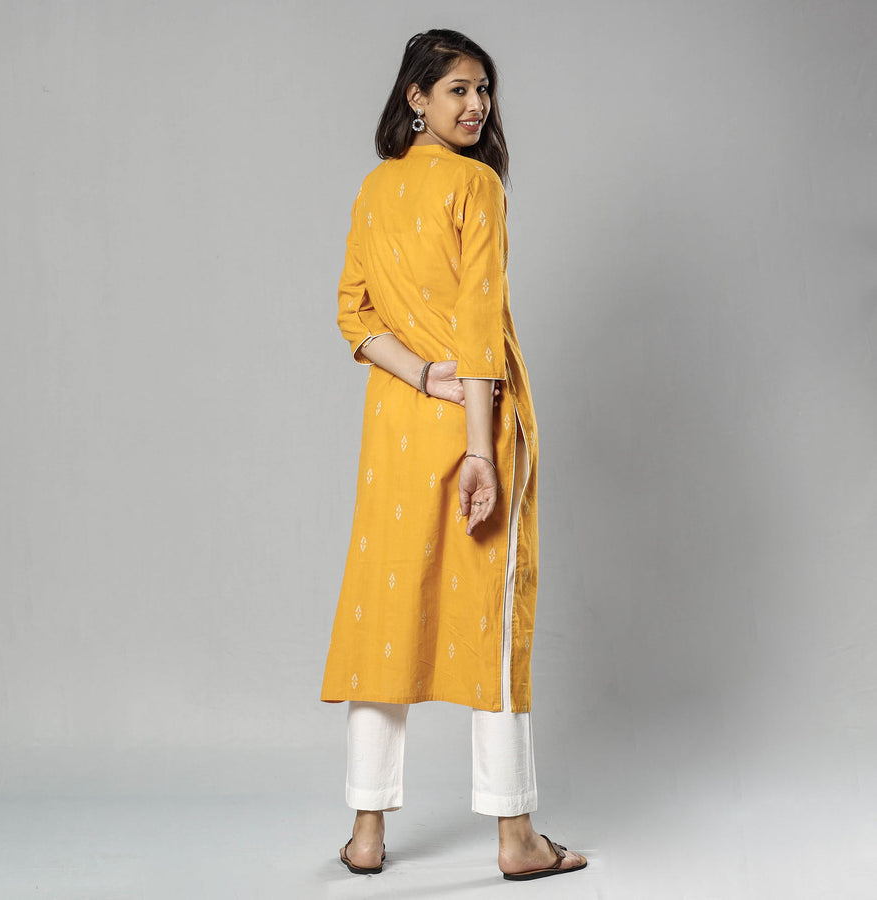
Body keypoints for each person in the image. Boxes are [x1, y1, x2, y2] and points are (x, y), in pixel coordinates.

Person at [320, 29, 587, 882]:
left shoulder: (375, 188)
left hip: (392, 434)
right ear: (417, 98)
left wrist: (415, 375)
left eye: (483, 90)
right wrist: (479, 447)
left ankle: (366, 834)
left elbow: (355, 314)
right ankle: (516, 838)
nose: (476, 106)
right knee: (490, 627)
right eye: (458, 90)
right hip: (475, 423)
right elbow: (478, 325)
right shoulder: (476, 185)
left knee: (383, 618)